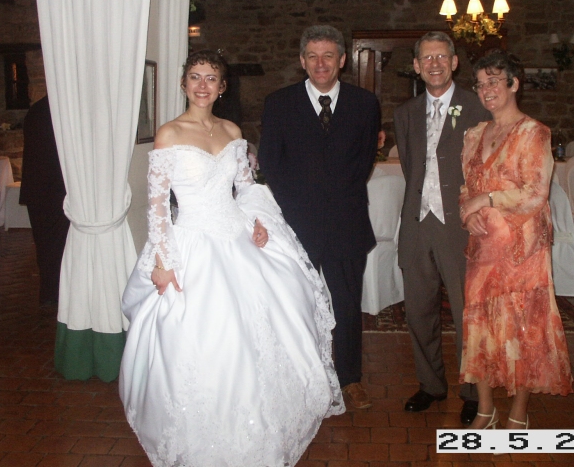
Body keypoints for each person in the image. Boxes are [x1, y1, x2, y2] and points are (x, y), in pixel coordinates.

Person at [119, 51, 343, 467]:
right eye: (195, 77)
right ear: (183, 84)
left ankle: (262, 420)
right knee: (205, 337)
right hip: (192, 244)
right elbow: (157, 205)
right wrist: (163, 261)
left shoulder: (232, 131)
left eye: (211, 78)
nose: (202, 85)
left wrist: (258, 221)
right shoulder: (169, 133)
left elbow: (246, 188)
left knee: (262, 325)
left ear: (222, 87)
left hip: (236, 237)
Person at [259, 25, 381, 410]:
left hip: (347, 222)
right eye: (312, 56)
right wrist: (297, 209)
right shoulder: (279, 103)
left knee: (346, 307)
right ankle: (303, 377)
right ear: (302, 61)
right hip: (297, 225)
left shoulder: (365, 103)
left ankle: (350, 379)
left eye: (328, 55)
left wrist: (333, 198)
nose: (320, 63)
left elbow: (364, 160)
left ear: (342, 60)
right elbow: (271, 163)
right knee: (298, 305)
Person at [459, 52, 573, 430]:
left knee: (523, 327)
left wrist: (486, 200)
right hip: (482, 248)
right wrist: (468, 213)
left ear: (514, 84)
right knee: (481, 325)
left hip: (522, 248)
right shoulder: (474, 134)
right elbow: (466, 189)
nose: (486, 90)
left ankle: (518, 412)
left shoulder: (533, 133)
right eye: (480, 84)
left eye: (494, 81)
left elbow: (536, 193)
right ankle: (486, 409)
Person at [393, 32, 490, 422]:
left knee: (468, 312)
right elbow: (411, 167)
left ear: (454, 62)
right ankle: (430, 384)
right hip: (418, 222)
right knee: (419, 312)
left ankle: (472, 391)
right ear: (417, 66)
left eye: (441, 57)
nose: (434, 64)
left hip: (461, 225)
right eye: (426, 58)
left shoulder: (477, 107)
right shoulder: (405, 113)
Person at [19, 95, 69, 305]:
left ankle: (50, 293)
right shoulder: (57, 109)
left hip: (38, 188)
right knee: (56, 245)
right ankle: (57, 294)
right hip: (53, 188)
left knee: (46, 245)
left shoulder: (37, 109)